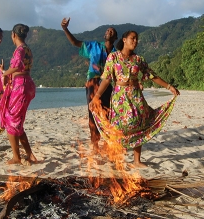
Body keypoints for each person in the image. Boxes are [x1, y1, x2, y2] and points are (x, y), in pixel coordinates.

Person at [89, 30, 180, 168]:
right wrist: (96, 97)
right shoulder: (113, 57)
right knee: (118, 127)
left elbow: (151, 75)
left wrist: (169, 86)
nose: (135, 41)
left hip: (136, 95)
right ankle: (115, 157)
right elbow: (107, 79)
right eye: (132, 38)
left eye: (136, 39)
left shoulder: (139, 59)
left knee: (140, 125)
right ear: (124, 40)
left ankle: (137, 160)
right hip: (120, 97)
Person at [61, 17, 118, 152]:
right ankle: (95, 144)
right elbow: (75, 42)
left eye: (112, 31)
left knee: (108, 112)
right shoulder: (94, 46)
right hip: (93, 82)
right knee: (93, 111)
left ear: (115, 37)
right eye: (107, 30)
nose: (109, 31)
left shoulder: (116, 54)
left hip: (107, 84)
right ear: (104, 36)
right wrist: (65, 28)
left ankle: (108, 141)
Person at [0, 23, 38, 165]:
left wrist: (4, 72)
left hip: (20, 86)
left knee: (11, 120)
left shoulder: (20, 50)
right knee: (17, 122)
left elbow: (16, 66)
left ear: (13, 35)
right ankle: (30, 154)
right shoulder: (27, 49)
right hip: (26, 84)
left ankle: (16, 157)